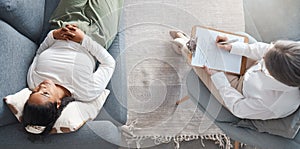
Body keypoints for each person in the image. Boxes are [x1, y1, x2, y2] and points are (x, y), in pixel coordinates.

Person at [169, 30, 300, 120]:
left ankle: (184, 45)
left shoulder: (271, 103)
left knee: (199, 59)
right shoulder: (294, 54)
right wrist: (234, 47)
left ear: (275, 76)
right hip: (252, 69)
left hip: (239, 92)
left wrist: (217, 76)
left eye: (266, 61)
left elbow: (238, 108)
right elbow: (264, 50)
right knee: (216, 45)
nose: (264, 56)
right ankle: (189, 43)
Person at [22, 24, 116, 135]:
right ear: (57, 103)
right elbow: (109, 63)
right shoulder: (85, 92)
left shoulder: (33, 82)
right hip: (96, 31)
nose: (41, 87)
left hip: (61, 24)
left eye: (35, 92)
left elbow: (39, 53)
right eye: (45, 93)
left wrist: (53, 35)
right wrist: (84, 39)